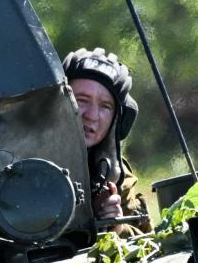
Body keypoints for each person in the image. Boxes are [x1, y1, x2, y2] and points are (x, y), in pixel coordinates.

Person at [62, 48, 150, 234]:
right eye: (82, 100)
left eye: (105, 106)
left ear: (116, 120)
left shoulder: (116, 175)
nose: (92, 116)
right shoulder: (20, 158)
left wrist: (115, 226)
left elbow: (148, 244)